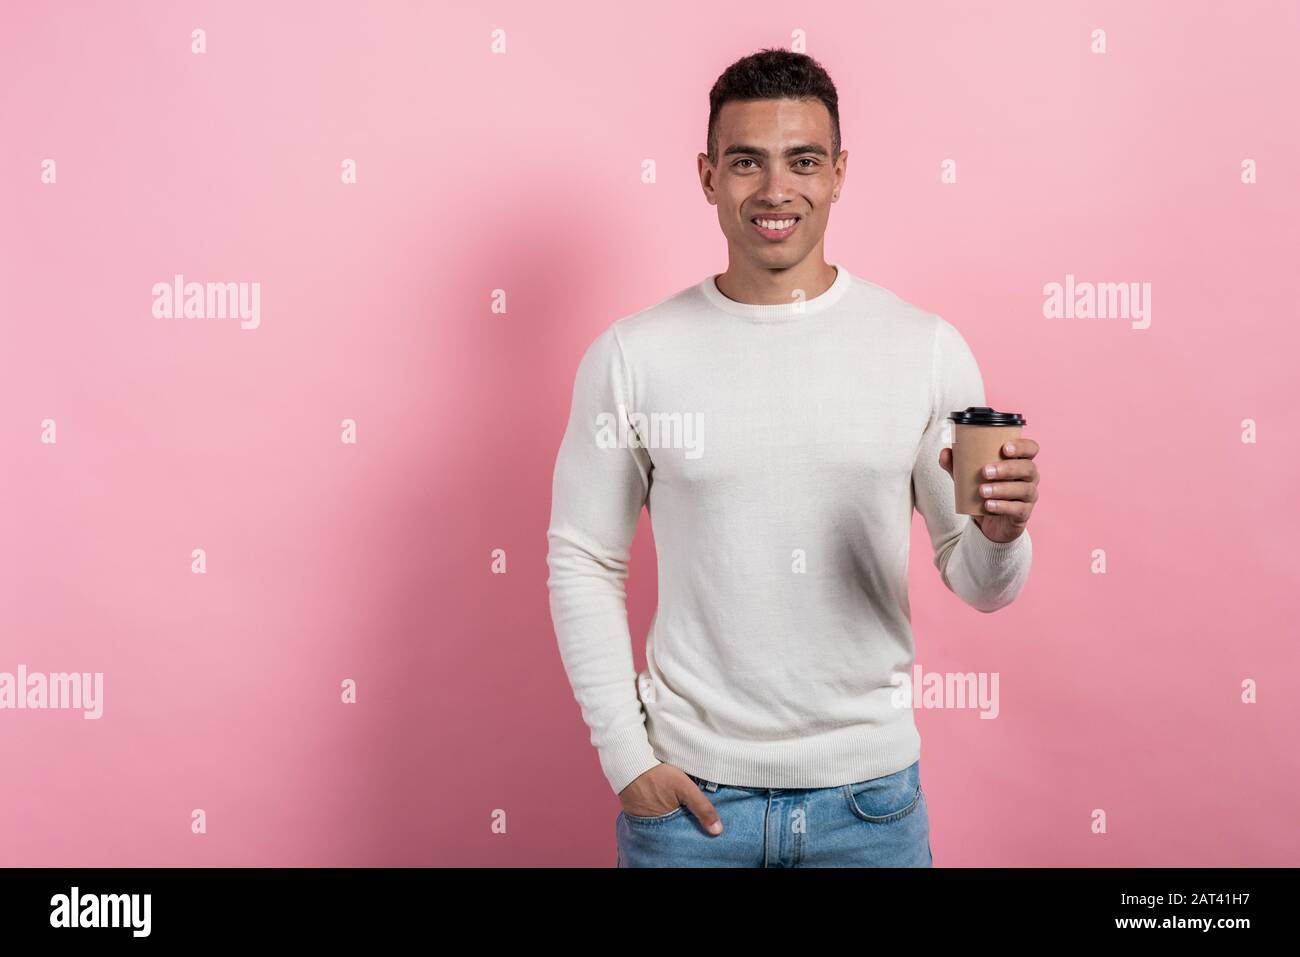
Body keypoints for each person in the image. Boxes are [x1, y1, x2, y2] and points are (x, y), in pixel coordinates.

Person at [545, 48, 1041, 867]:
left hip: (870, 806)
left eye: (803, 161)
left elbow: (981, 584)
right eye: (747, 162)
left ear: (839, 173)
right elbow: (584, 558)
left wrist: (998, 532)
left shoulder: (923, 349)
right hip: (691, 811)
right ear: (708, 176)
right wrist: (627, 759)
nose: (775, 191)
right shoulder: (633, 355)